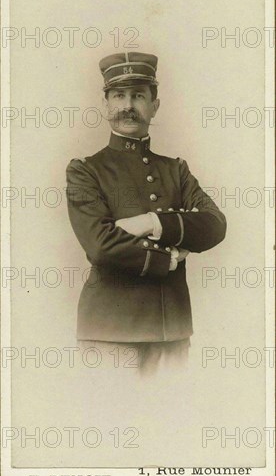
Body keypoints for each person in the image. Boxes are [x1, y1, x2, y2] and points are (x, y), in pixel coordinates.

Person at [66, 52, 227, 374]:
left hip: (173, 330)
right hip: (111, 331)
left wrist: (150, 222)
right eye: (119, 95)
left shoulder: (176, 170)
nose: (128, 105)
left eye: (139, 95)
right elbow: (99, 245)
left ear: (155, 105)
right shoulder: (85, 170)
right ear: (106, 105)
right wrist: (167, 259)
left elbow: (215, 224)